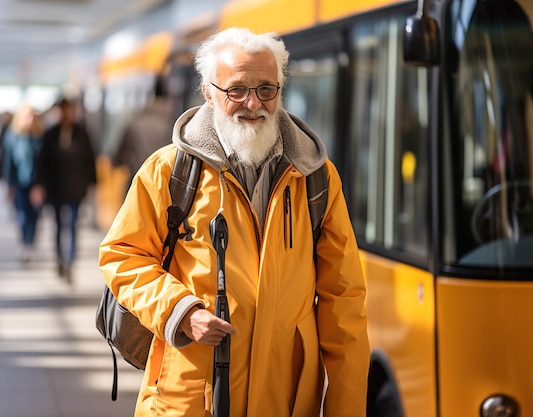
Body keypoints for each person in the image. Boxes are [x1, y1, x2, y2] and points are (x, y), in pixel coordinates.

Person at [99, 27, 370, 417]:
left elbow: (344, 304)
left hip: (287, 400)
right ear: (209, 93)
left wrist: (346, 409)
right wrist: (182, 311)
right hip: (190, 400)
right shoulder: (168, 171)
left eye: (266, 89)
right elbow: (120, 255)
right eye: (236, 89)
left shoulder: (316, 177)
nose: (252, 103)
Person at [32, 98, 97, 281]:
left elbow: (89, 160)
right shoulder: (50, 134)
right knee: (59, 225)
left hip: (76, 188)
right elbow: (42, 163)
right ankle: (60, 259)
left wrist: (93, 184)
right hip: (56, 189)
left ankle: (70, 261)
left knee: (74, 225)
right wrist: (40, 184)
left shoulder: (82, 134)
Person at [112, 77, 173, 191]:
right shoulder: (169, 125)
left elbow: (118, 156)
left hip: (137, 179)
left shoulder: (134, 122)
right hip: (161, 183)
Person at [1, 104, 43, 261]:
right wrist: (9, 185)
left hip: (36, 183)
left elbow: (44, 164)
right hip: (20, 182)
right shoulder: (12, 136)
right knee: (22, 214)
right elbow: (9, 162)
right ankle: (24, 242)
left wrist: (41, 185)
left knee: (35, 215)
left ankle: (31, 242)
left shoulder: (39, 136)